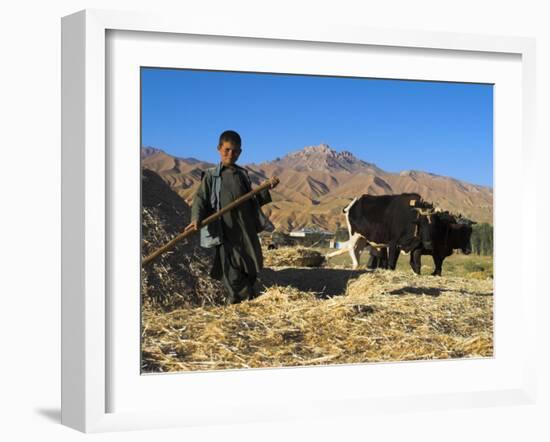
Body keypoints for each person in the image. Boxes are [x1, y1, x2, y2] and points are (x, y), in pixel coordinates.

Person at [185, 130, 279, 304]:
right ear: (219, 149)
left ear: (240, 152)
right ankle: (237, 302)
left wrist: (266, 188)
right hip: (225, 231)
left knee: (251, 264)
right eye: (227, 149)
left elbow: (252, 200)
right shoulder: (212, 176)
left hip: (245, 229)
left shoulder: (242, 175)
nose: (231, 154)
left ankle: (248, 296)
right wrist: (196, 218)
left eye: (235, 151)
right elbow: (201, 198)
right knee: (231, 271)